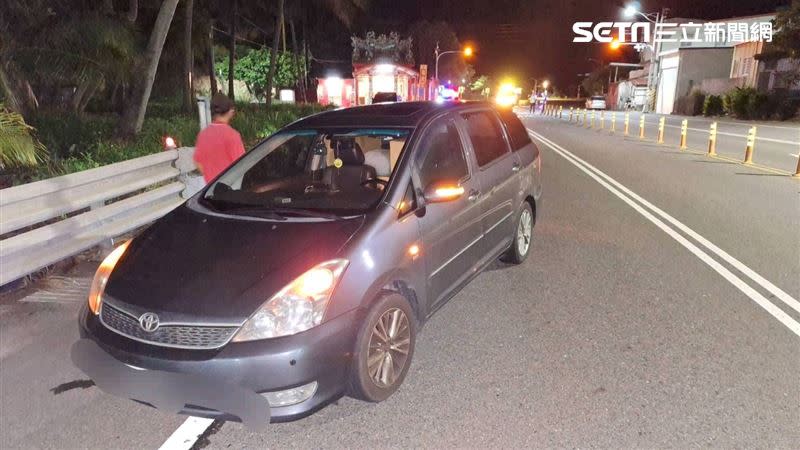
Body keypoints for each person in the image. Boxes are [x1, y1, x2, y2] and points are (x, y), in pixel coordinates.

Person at [193, 93, 245, 183]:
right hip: (229, 189)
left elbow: (198, 162)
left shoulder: (203, 135)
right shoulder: (233, 135)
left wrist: (210, 176)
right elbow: (242, 164)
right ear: (230, 111)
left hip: (210, 190)